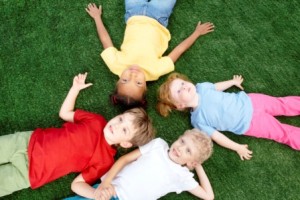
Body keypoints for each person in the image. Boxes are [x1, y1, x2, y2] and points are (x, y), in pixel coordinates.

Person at [0, 73, 155, 197]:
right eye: (121, 119)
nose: (117, 124)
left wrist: (95, 194)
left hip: (29, 173)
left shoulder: (105, 161)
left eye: (124, 130)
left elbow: (77, 184)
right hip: (26, 141)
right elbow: (65, 113)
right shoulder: (97, 121)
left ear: (126, 144)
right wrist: (75, 89)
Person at [85, 1, 214, 108]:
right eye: (138, 83)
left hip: (133, 13)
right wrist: (196, 33)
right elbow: (178, 50)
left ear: (118, 81)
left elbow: (105, 40)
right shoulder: (155, 71)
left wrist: (97, 18)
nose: (133, 75)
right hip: (159, 17)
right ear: (146, 87)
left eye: (125, 80)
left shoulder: (115, 65)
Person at [157, 73, 300, 160]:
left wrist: (232, 82)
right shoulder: (198, 121)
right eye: (178, 91)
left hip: (251, 100)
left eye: (182, 83)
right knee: (282, 133)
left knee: (282, 104)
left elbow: (216, 87)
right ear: (180, 105)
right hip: (250, 124)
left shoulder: (202, 87)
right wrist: (237, 147)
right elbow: (217, 137)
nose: (184, 86)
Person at [65, 129, 214, 200]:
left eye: (188, 151)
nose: (180, 148)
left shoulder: (183, 176)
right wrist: (107, 182)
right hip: (109, 192)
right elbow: (124, 160)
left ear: (191, 162)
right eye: (182, 141)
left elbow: (208, 196)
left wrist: (197, 166)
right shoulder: (158, 145)